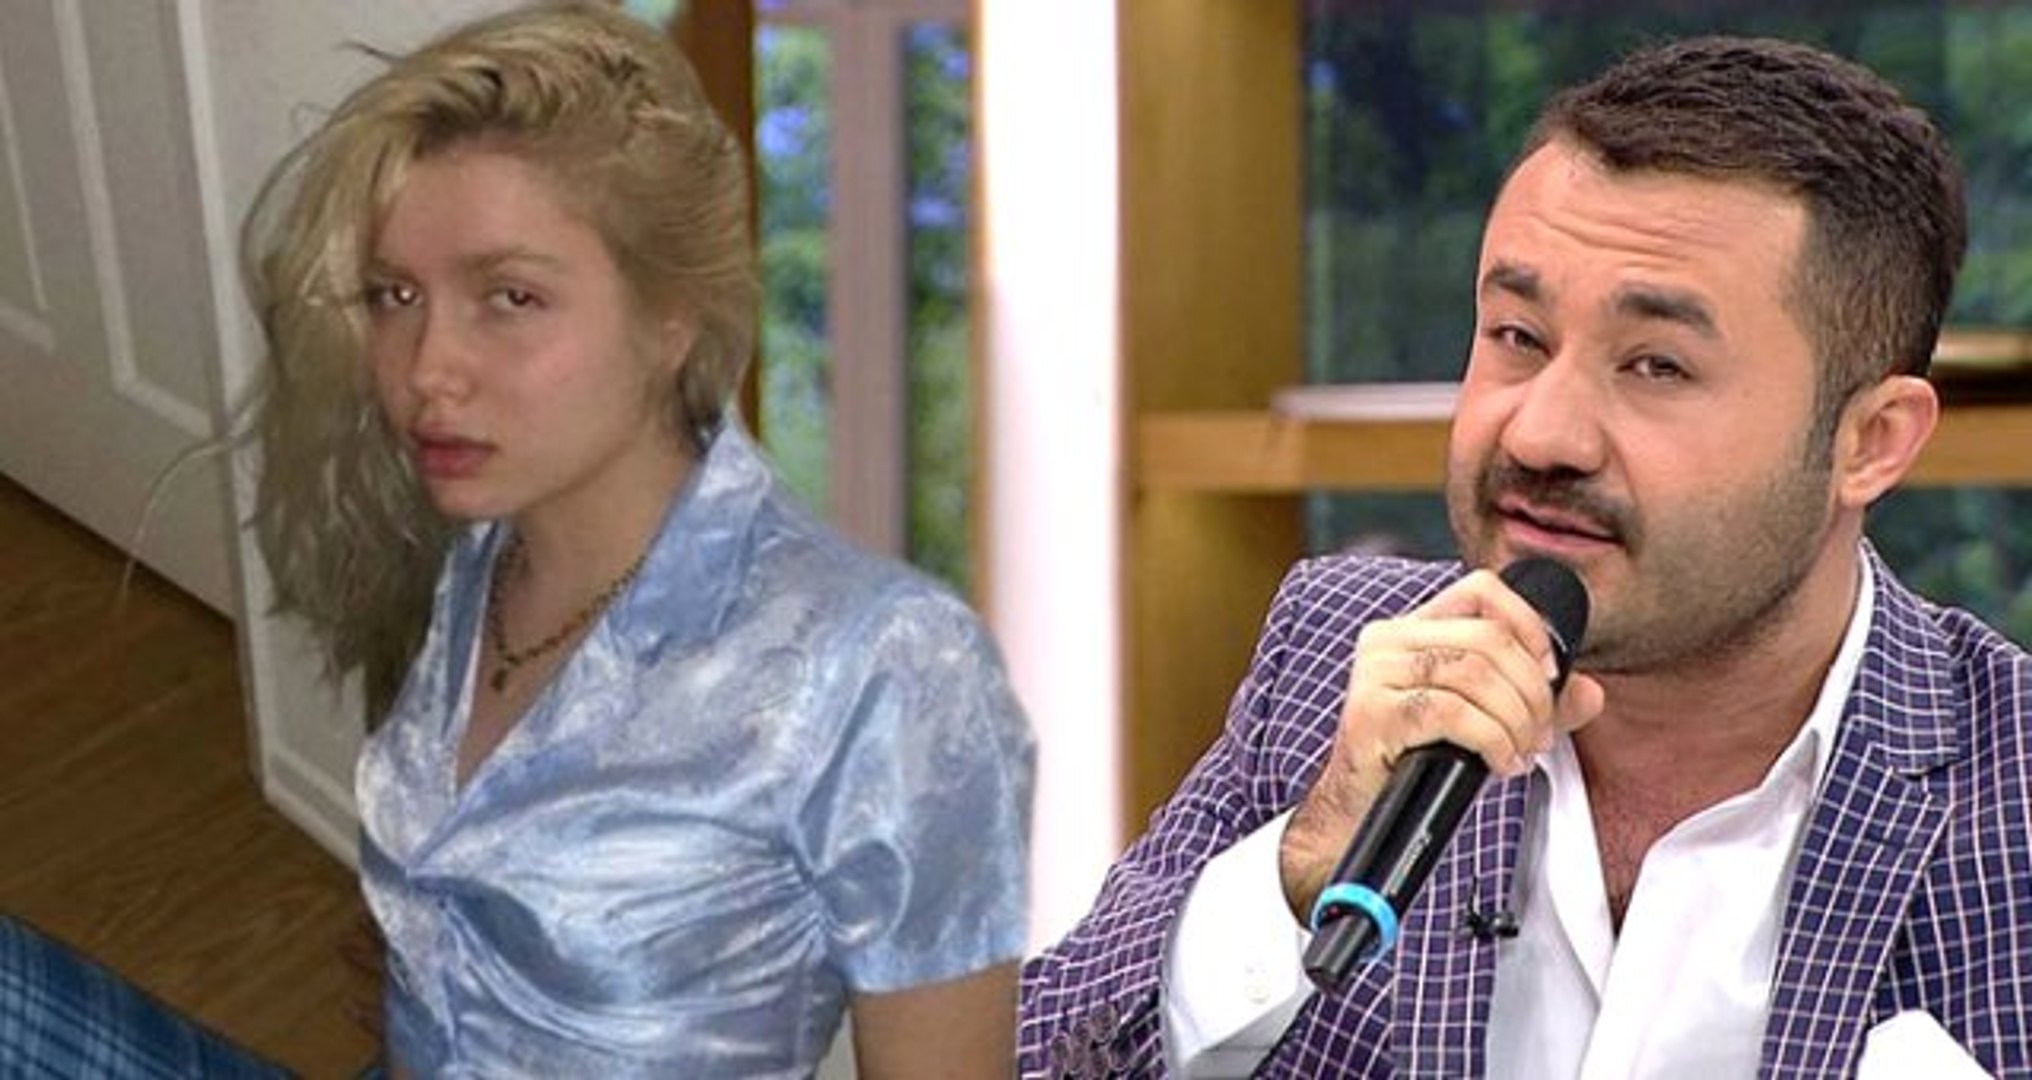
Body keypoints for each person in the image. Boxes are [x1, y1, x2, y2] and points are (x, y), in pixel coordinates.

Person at [1021, 34, 2029, 1079]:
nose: (1543, 435)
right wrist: (1298, 866)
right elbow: (1041, 1054)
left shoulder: (2014, 791)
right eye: (1516, 337)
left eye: (1656, 365)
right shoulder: (1337, 661)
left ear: (1870, 442)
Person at [239, 3, 1036, 1076]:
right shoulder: (471, 551)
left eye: (510, 296)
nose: (426, 369)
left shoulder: (881, 667)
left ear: (673, 319)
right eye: (397, 295)